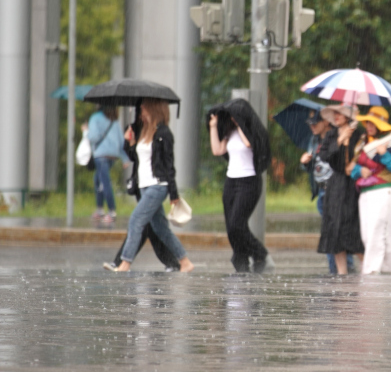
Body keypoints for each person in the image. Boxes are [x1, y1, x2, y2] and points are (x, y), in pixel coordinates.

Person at [114, 98, 193, 273]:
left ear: (154, 109)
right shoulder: (144, 131)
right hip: (144, 186)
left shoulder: (164, 133)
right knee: (160, 229)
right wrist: (129, 142)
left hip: (158, 185)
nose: (141, 113)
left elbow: (169, 165)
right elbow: (136, 158)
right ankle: (185, 262)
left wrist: (174, 194)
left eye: (144, 109)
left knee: (135, 220)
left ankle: (124, 264)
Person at [209, 98, 272, 273]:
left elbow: (249, 143)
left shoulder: (250, 130)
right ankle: (241, 259)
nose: (232, 118)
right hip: (232, 181)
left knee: (237, 223)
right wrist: (214, 126)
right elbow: (217, 150)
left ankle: (259, 253)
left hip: (249, 181)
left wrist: (241, 124)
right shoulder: (229, 132)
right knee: (231, 226)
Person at [352, 106, 391, 275]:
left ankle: (371, 270)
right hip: (365, 192)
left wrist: (384, 154)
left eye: (373, 123)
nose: (369, 126)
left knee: (378, 230)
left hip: (385, 190)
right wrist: (360, 171)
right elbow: (353, 168)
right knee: (368, 233)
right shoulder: (362, 142)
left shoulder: (390, 141)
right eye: (368, 122)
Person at [317, 104, 364, 275]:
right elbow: (323, 156)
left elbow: (364, 154)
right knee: (334, 230)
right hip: (336, 185)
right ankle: (341, 273)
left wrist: (350, 141)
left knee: (352, 228)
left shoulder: (359, 134)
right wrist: (339, 139)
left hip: (352, 184)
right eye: (334, 113)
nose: (336, 116)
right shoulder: (331, 134)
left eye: (340, 113)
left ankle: (367, 271)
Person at [83, 105, 128, 224]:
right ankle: (100, 210)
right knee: (98, 180)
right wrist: (124, 158)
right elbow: (121, 140)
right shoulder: (113, 119)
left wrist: (86, 131)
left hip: (101, 154)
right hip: (112, 155)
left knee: (104, 182)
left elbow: (93, 137)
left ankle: (111, 211)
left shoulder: (95, 118)